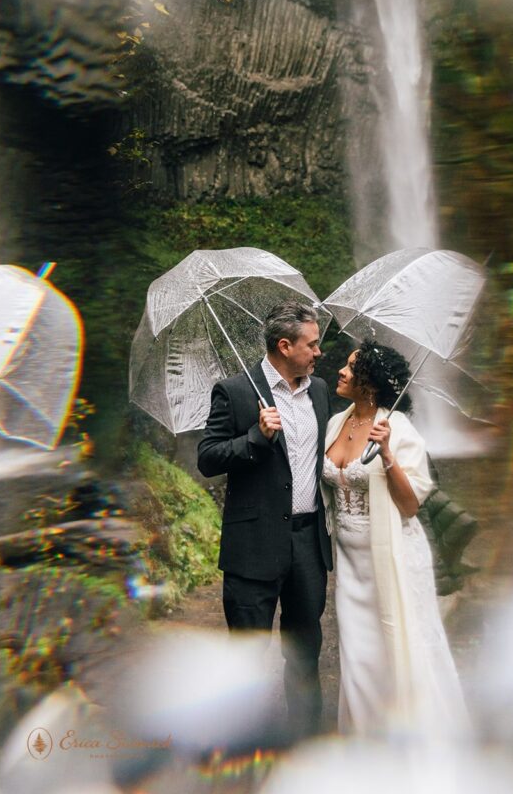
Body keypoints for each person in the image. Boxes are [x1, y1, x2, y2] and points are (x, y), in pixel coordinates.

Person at [197, 301, 332, 740]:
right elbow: (208, 457)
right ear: (284, 345)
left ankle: (306, 743)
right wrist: (256, 438)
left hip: (307, 544)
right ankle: (248, 743)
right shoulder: (234, 391)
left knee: (306, 652)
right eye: (312, 344)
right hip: (253, 548)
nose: (319, 352)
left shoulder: (320, 391)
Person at [321, 339, 469, 740]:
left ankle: (407, 742)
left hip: (393, 556)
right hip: (349, 564)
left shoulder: (399, 430)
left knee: (399, 646)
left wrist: (387, 454)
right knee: (358, 655)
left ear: (368, 382)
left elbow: (409, 506)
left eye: (351, 368)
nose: (341, 371)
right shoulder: (338, 422)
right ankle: (364, 744)